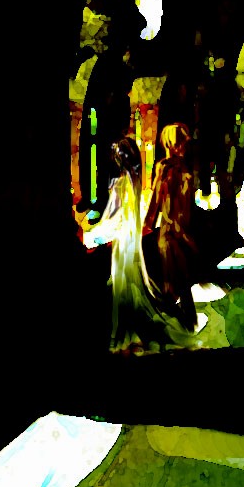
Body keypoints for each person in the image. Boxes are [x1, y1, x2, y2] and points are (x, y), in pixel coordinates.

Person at [83, 136, 199, 353]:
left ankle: (126, 330)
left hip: (123, 240)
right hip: (130, 238)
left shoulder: (122, 183)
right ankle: (133, 328)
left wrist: (95, 232)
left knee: (126, 284)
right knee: (132, 283)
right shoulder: (134, 180)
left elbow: (114, 215)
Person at [143, 122, 200, 331]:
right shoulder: (166, 168)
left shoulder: (183, 167)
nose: (184, 146)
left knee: (179, 283)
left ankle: (184, 326)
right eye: (180, 142)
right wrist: (147, 224)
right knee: (175, 283)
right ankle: (183, 327)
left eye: (184, 142)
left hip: (179, 232)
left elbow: (185, 205)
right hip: (170, 233)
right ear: (171, 144)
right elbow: (155, 201)